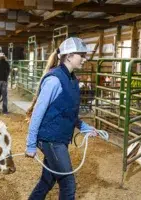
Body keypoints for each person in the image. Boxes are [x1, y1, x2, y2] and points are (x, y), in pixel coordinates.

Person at [25, 37, 98, 200]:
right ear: (70, 56)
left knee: (47, 181)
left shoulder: (72, 79)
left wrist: (84, 127)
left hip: (59, 137)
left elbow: (68, 112)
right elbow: (37, 113)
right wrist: (30, 144)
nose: (85, 59)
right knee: (68, 184)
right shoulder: (54, 80)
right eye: (82, 55)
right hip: (51, 139)